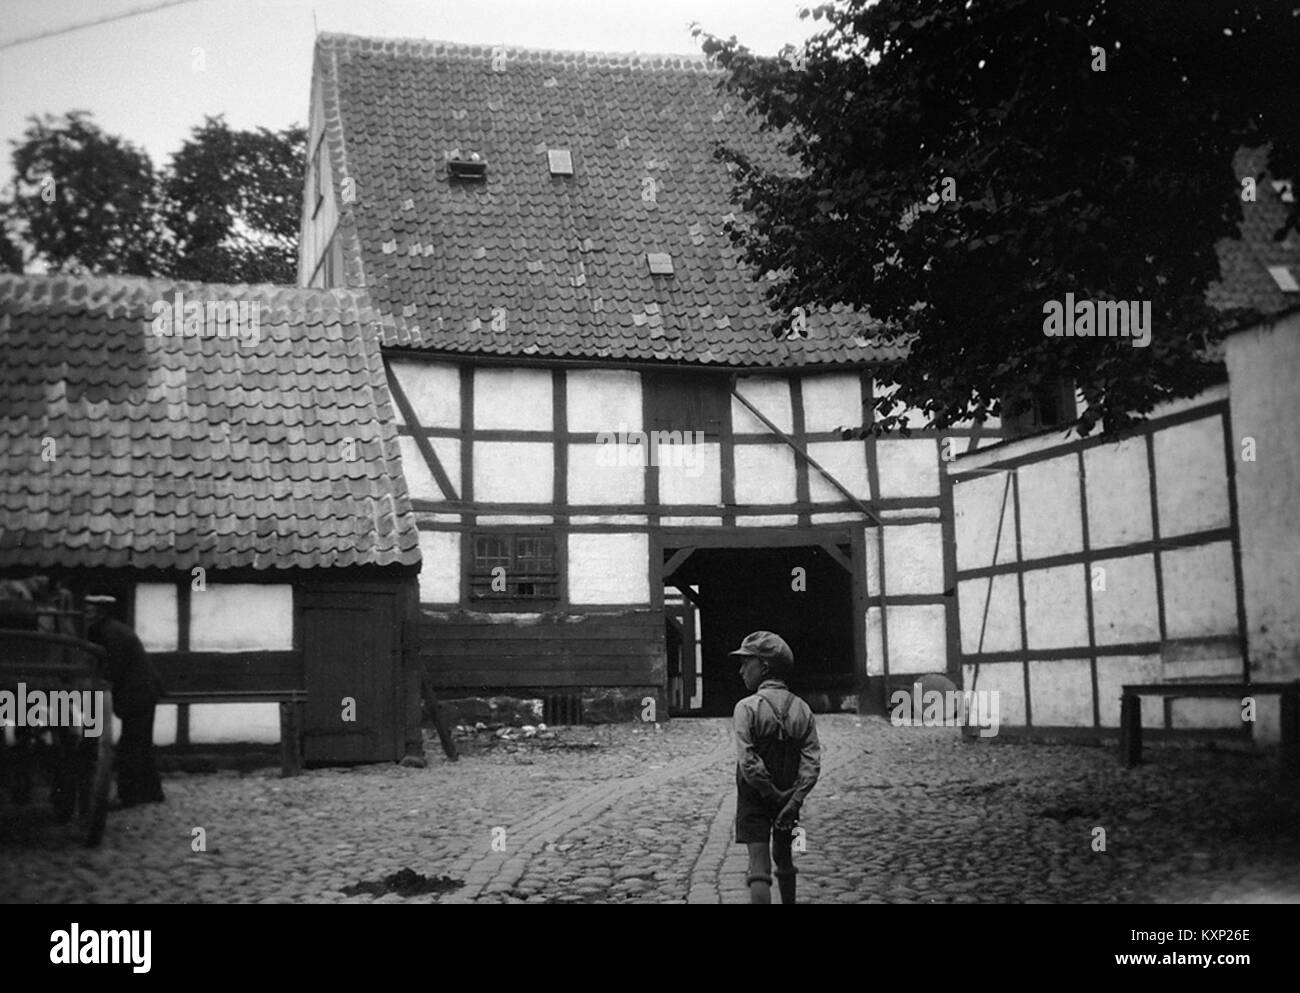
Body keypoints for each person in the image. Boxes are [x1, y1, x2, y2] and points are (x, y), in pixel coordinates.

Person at [731, 630, 821, 905]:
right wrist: (793, 800)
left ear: (765, 666)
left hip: (754, 796)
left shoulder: (747, 708)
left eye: (747, 662)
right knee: (784, 858)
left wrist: (769, 792)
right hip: (789, 798)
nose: (741, 670)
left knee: (758, 867)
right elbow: (812, 761)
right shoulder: (802, 709)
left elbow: (747, 760)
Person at [84, 594, 165, 807]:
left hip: (138, 692)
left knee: (130, 746)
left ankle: (127, 797)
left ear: (101, 612)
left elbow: (113, 667)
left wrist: (97, 686)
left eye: (90, 611)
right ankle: (153, 793)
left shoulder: (111, 634)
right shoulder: (110, 629)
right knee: (141, 744)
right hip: (144, 691)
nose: (86, 614)